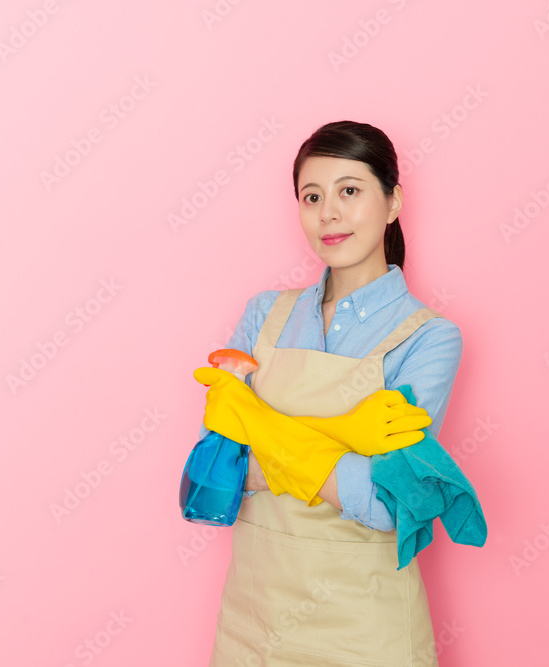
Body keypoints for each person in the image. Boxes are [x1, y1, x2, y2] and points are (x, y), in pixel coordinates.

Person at [194, 120, 463, 666]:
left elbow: (386, 503)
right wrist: (344, 440)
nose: (328, 214)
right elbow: (209, 482)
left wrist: (255, 438)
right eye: (312, 197)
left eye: (350, 191)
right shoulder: (264, 314)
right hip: (252, 627)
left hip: (365, 632)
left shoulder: (428, 337)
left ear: (393, 202)